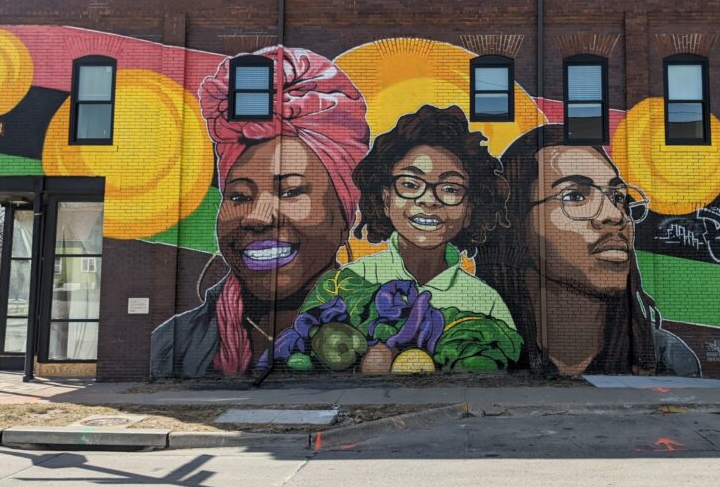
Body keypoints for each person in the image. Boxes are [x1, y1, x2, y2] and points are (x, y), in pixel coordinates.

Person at [150, 47, 370, 378]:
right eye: (238, 196)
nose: (256, 217)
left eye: (291, 191)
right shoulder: (173, 344)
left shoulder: (388, 325)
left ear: (345, 215)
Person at [275, 105, 522, 373]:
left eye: (451, 189)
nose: (428, 200)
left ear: (470, 209)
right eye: (409, 184)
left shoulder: (486, 301)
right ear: (385, 198)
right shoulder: (345, 283)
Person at [478, 125, 700, 377]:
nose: (615, 215)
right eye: (574, 196)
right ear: (516, 223)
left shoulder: (666, 359)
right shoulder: (480, 349)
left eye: (618, 197)